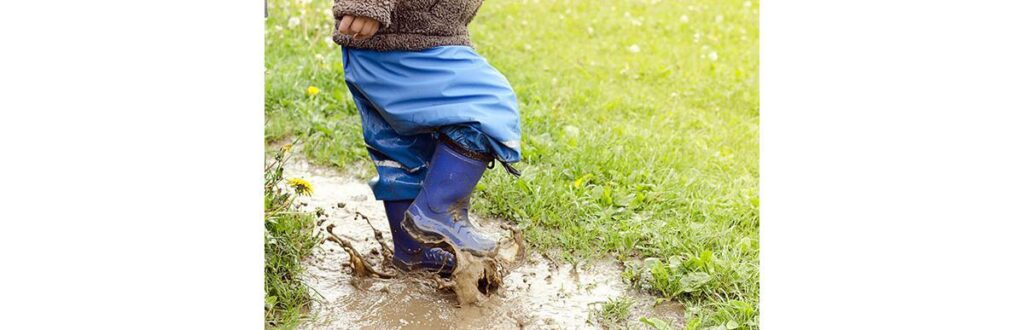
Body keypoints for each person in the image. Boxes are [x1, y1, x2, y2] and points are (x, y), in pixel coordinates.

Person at [331, 0, 522, 276]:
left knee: (404, 149)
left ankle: (414, 252)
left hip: (403, 38)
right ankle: (438, 212)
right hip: (404, 40)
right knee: (489, 105)